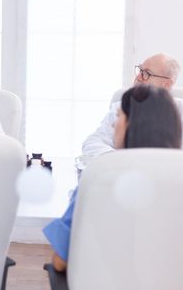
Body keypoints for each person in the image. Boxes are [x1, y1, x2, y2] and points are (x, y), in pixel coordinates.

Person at [45, 85, 182, 272]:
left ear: (133, 124)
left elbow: (62, 261)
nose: (113, 124)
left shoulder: (100, 176)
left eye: (119, 116)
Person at [82, 53, 183, 157]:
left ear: (167, 84)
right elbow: (93, 142)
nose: (138, 77)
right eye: (140, 71)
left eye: (147, 73)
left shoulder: (180, 110)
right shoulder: (121, 107)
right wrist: (123, 161)